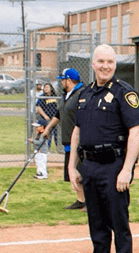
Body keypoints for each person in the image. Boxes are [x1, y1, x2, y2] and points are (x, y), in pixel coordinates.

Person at [67, 44, 139, 253]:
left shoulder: (124, 93)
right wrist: (72, 166)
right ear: (93, 63)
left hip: (113, 167)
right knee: (97, 227)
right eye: (101, 61)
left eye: (110, 62)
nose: (105, 66)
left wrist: (127, 170)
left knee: (119, 228)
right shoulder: (85, 94)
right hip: (89, 167)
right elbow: (77, 130)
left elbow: (136, 131)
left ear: (115, 64)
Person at [41, 68, 87, 210]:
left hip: (81, 141)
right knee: (72, 172)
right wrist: (48, 128)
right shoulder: (66, 95)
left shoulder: (82, 94)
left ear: (69, 80)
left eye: (62, 79)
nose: (60, 82)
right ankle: (81, 200)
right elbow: (58, 114)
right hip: (68, 140)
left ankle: (91, 202)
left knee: (84, 172)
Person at [33, 83, 59, 180]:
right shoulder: (42, 97)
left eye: (48, 87)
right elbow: (38, 107)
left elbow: (57, 107)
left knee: (56, 134)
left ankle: (58, 148)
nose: (46, 89)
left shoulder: (54, 96)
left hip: (54, 119)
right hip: (46, 119)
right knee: (47, 135)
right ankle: (46, 150)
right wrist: (45, 116)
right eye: (45, 87)